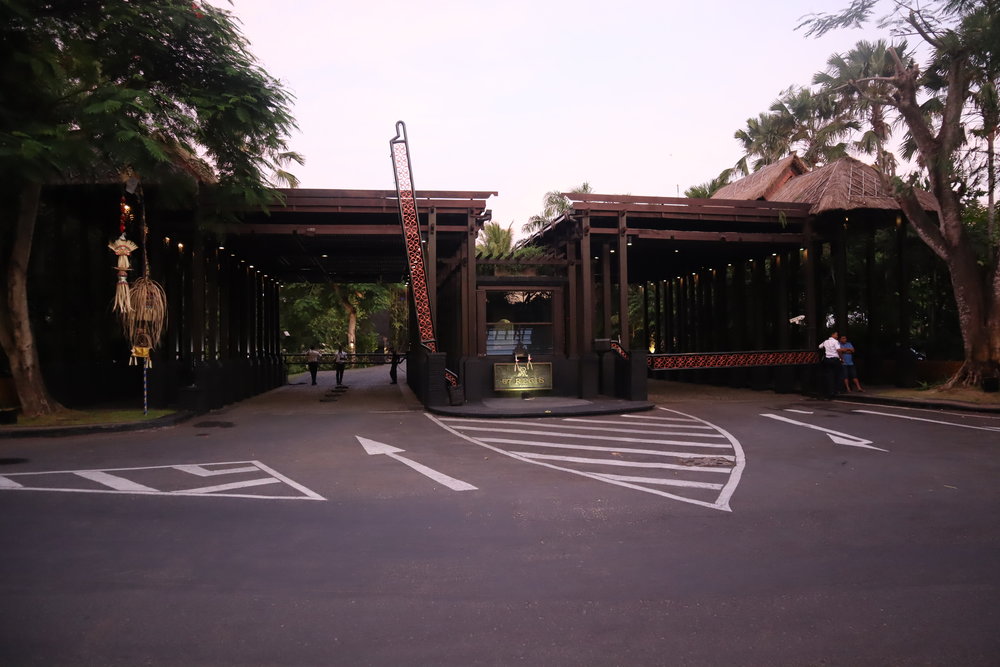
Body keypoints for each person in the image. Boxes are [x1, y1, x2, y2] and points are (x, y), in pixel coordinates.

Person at [818, 330, 841, 399]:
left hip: (827, 360)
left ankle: (828, 392)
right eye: (836, 335)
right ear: (832, 335)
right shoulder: (835, 341)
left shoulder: (825, 341)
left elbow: (819, 347)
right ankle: (835, 391)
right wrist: (841, 358)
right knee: (837, 375)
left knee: (829, 376)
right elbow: (838, 350)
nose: (837, 336)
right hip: (835, 360)